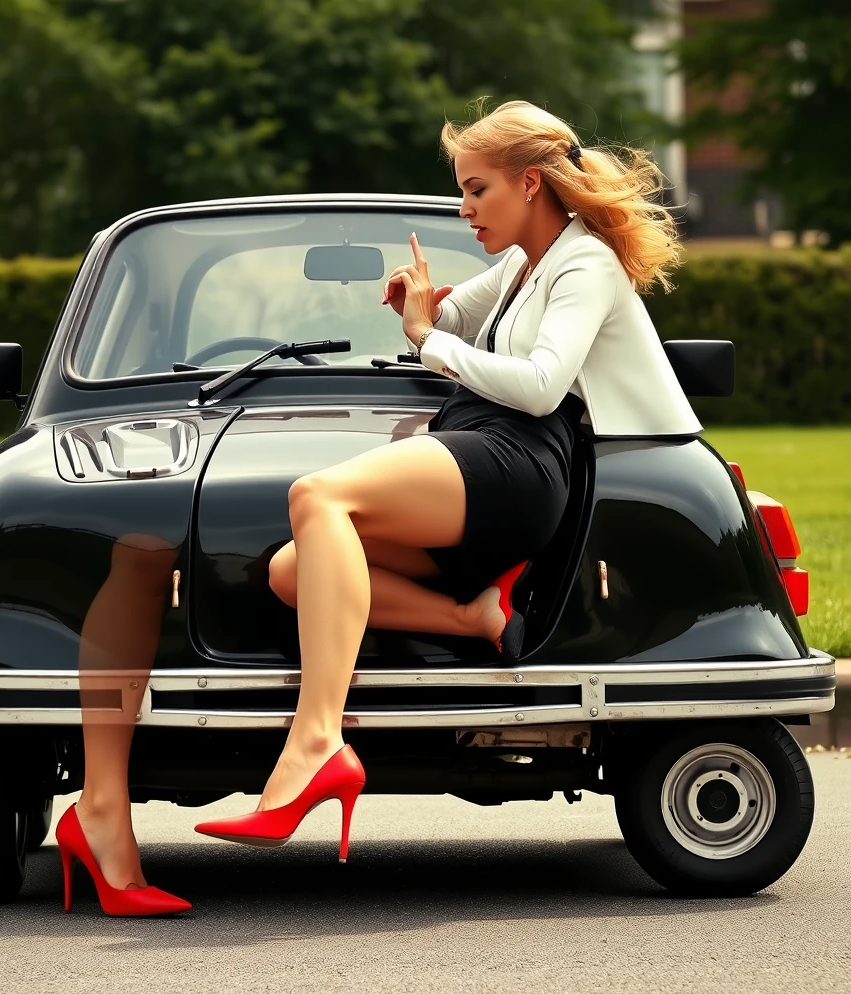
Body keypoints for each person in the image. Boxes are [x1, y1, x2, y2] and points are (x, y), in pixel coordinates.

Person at [192, 99, 701, 861]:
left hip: (522, 455)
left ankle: (317, 741)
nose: (464, 209)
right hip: (479, 438)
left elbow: (536, 384)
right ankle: (475, 619)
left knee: (315, 496)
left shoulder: (582, 262)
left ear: (530, 184)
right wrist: (421, 304)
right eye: (462, 191)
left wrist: (428, 341)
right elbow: (459, 317)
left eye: (476, 190)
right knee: (292, 570)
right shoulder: (527, 262)